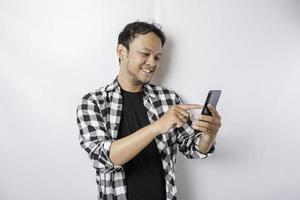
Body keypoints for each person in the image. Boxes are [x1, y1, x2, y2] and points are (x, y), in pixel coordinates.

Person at [76, 21, 222, 200]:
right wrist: (157, 126)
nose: (152, 63)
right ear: (121, 51)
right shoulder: (93, 102)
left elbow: (192, 147)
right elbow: (104, 158)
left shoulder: (168, 99)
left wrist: (208, 136)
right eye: (145, 53)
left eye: (157, 57)